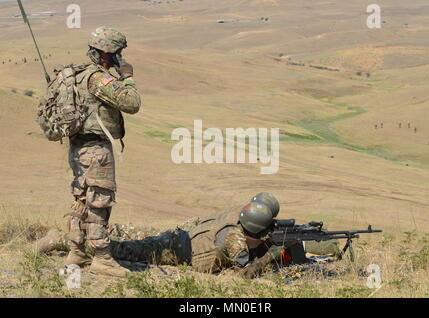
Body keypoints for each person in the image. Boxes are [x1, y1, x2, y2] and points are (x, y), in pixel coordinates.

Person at [37, 193, 339, 278]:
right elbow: (243, 274)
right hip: (177, 249)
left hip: (188, 233)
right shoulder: (234, 241)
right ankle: (62, 241)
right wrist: (273, 253)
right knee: (121, 250)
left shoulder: (245, 215)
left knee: (129, 236)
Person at [64, 26, 141, 277]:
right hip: (96, 148)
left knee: (83, 198)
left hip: (78, 147)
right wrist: (127, 76)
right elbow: (131, 103)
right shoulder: (98, 78)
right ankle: (102, 258)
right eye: (119, 52)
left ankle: (76, 250)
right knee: (99, 200)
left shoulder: (77, 74)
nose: (120, 56)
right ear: (109, 53)